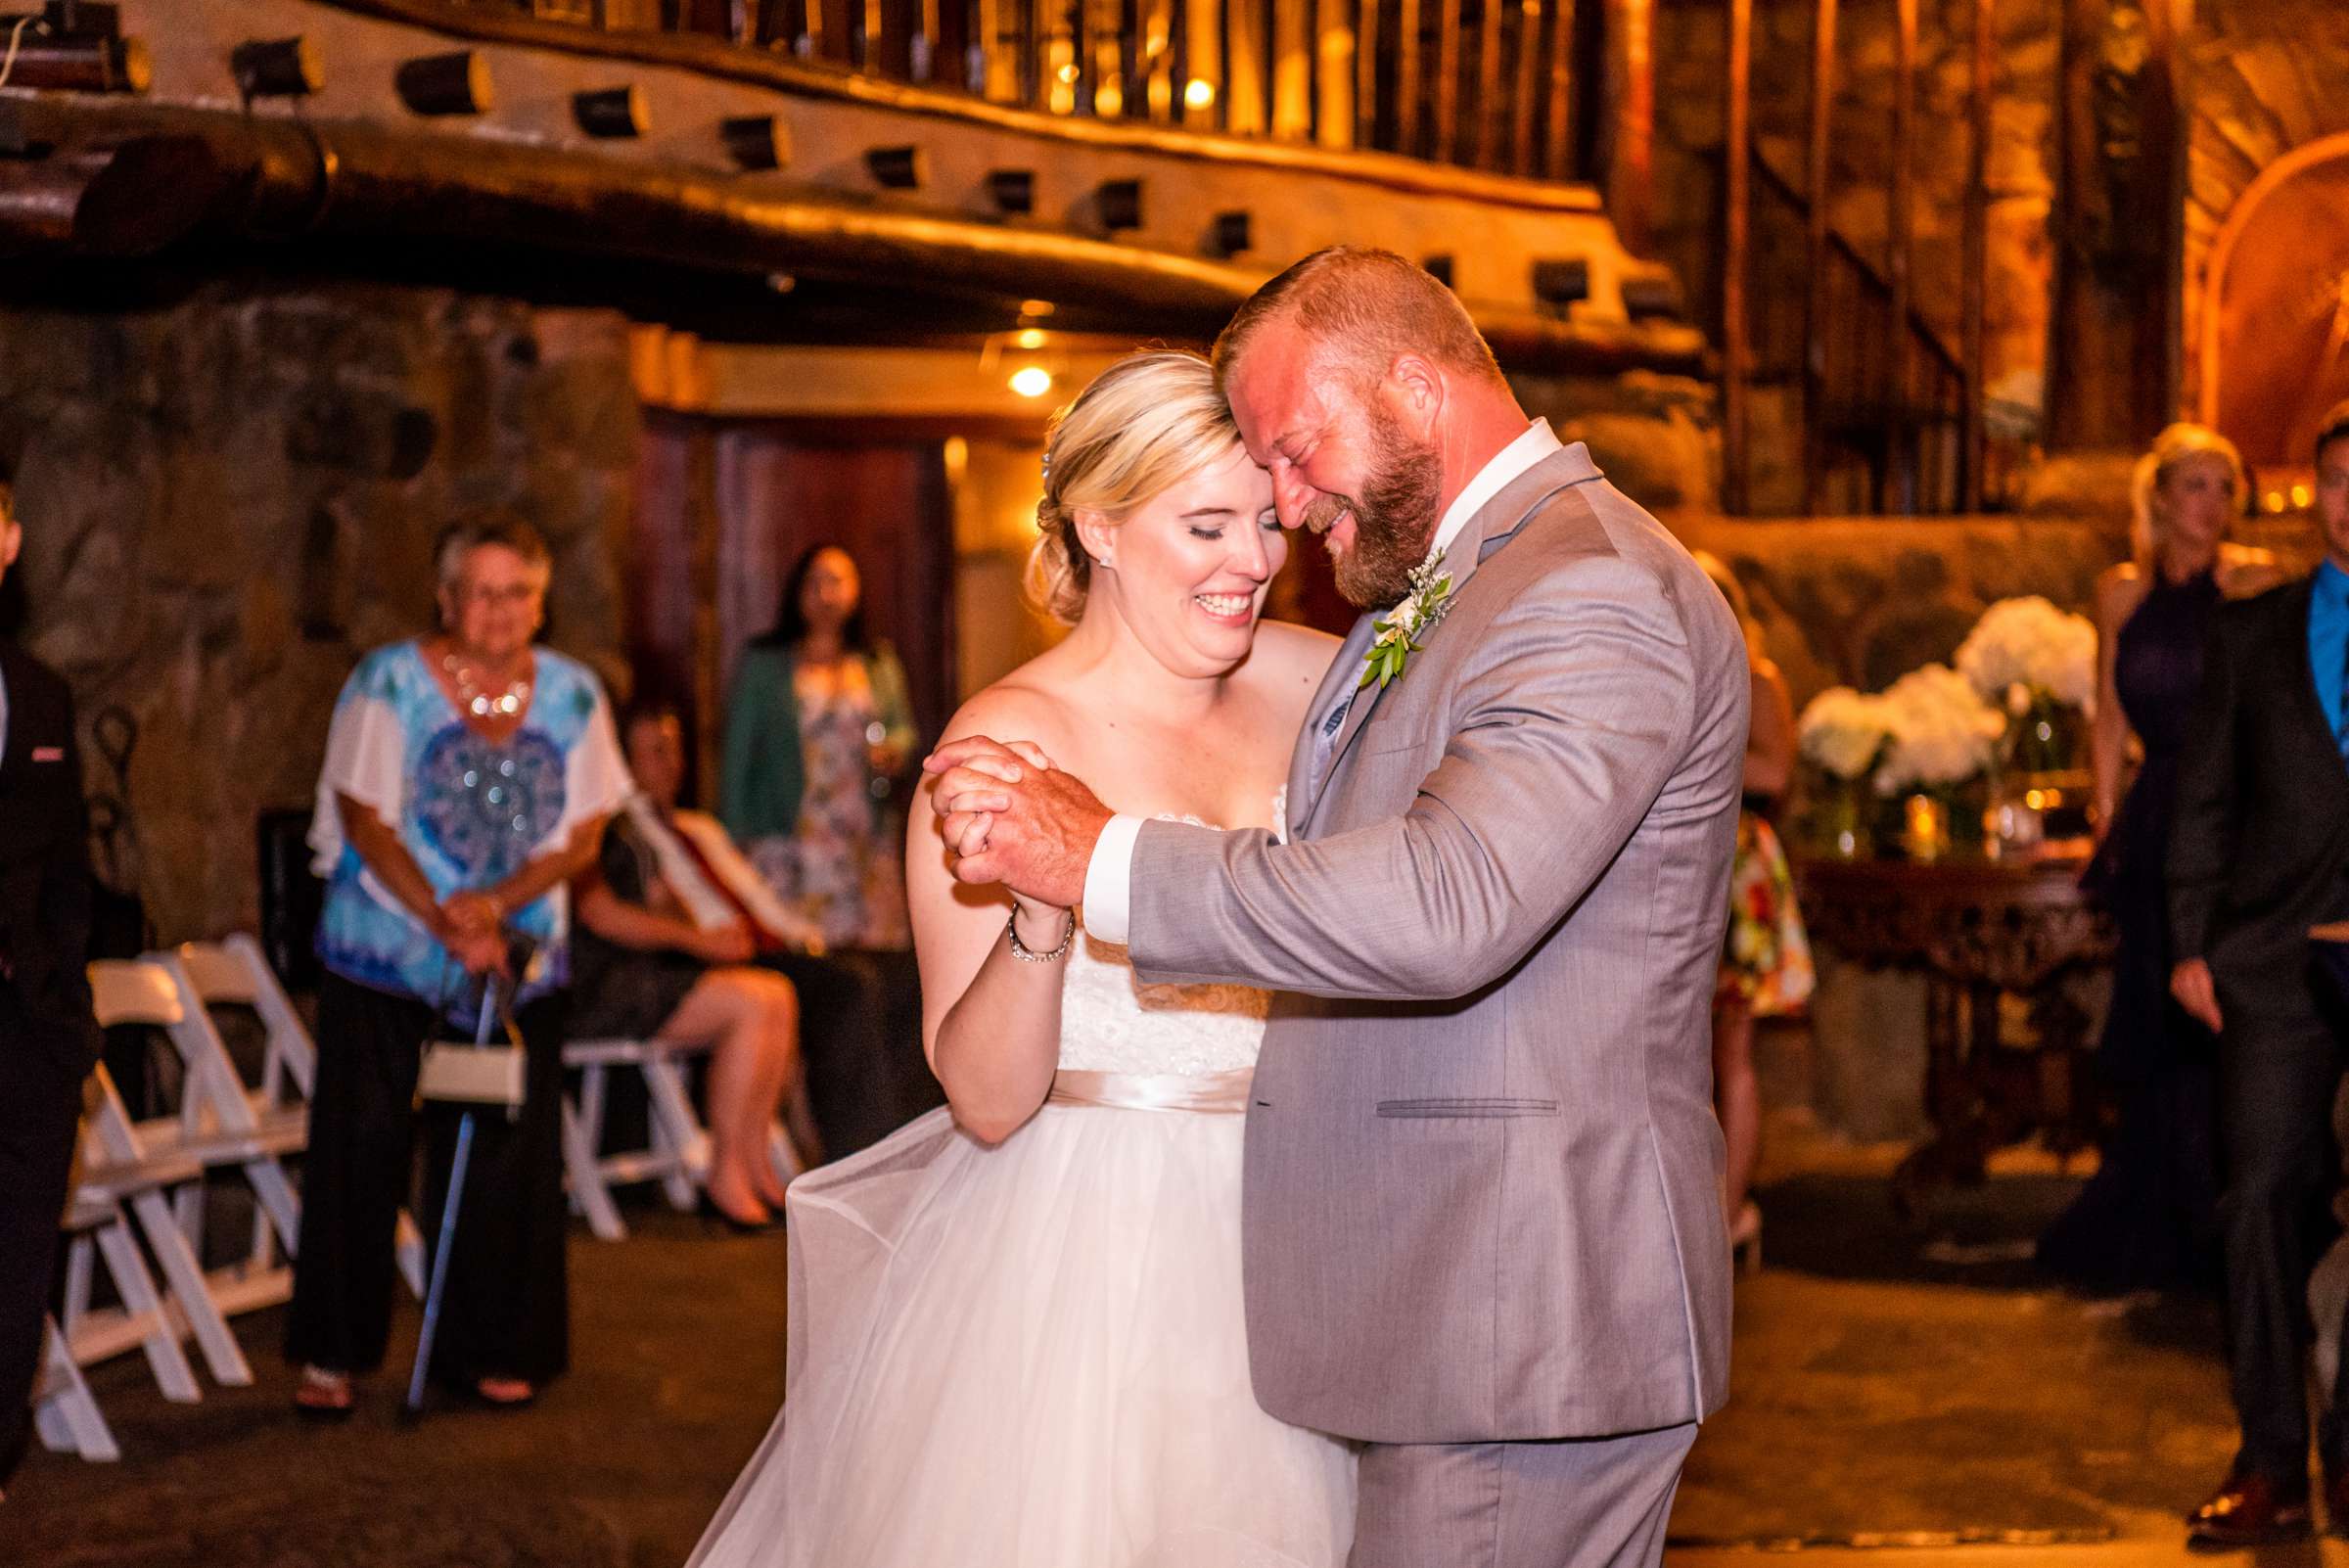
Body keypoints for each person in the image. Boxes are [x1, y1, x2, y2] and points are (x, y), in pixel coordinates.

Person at [931, 249, 1746, 1568]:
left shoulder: (1586, 588)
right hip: (1397, 1293)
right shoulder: (1451, 583)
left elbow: (1449, 898)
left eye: (1293, 460)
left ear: (1417, 390)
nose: (1284, 512)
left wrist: (1104, 862)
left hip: (1513, 1303)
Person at [686, 350, 1356, 1567]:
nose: (1253, 561)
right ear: (1099, 524)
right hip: (1088, 1262)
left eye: (1266, 521)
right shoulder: (1005, 737)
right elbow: (987, 1103)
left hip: (1312, 1217)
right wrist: (1047, 911)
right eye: (1205, 524)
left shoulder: (1322, 682)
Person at [289, 514, 629, 1418]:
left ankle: (493, 1348)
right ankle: (334, 1352)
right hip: (390, 951)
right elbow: (365, 817)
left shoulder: (575, 693)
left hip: (514, 959)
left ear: (541, 601)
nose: (500, 609)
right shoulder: (387, 683)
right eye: (481, 590)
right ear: (445, 598)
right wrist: (446, 917)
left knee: (508, 1163)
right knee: (362, 1150)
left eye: (517, 591)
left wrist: (496, 907)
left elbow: (588, 829)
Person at [2039, 423, 2280, 1295]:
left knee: (2213, 1008)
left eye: (2225, 488)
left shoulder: (2253, 582)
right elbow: (2107, 718)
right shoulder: (2119, 596)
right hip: (2151, 819)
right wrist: (2105, 820)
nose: (2212, 505)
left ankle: (2223, 1216)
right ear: (2160, 499)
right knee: (2148, 1005)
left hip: (2228, 820)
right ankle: (2154, 1214)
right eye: (2196, 486)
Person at [2170, 400, 2349, 1547]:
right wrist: (2190, 940)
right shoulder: (2252, 633)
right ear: (2317, 497)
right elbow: (2203, 796)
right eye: (2339, 481)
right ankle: (2273, 1459)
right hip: (2275, 960)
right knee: (2258, 1200)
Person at [571, 698, 816, 1229]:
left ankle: (751, 1157)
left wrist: (702, 928)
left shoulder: (634, 824)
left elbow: (657, 899)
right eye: (656, 752)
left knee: (775, 991)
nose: (673, 763)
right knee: (750, 1001)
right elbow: (599, 914)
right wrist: (697, 942)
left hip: (639, 972)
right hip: (595, 984)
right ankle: (726, 1170)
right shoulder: (591, 817)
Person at [0, 469, 101, 1492]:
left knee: (17, 1259)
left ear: (10, 545)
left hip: (25, 1028)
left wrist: (67, 1015)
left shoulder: (41, 695)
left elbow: (66, 870)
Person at [1694, 549, 1810, 1273]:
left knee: (1733, 1048)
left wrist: (1686, 749)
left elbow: (1774, 771)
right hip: (1678, 859)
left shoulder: (1758, 679)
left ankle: (1730, 1212)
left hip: (1737, 870)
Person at [720, 544, 917, 953]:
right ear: (797, 591)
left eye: (837, 582)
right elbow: (737, 754)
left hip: (859, 830)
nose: (826, 594)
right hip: (790, 830)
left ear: (856, 590)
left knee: (868, 953)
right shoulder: (766, 664)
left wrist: (893, 750)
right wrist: (734, 834)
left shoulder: (876, 663)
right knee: (797, 950)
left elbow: (902, 730)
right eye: (816, 582)